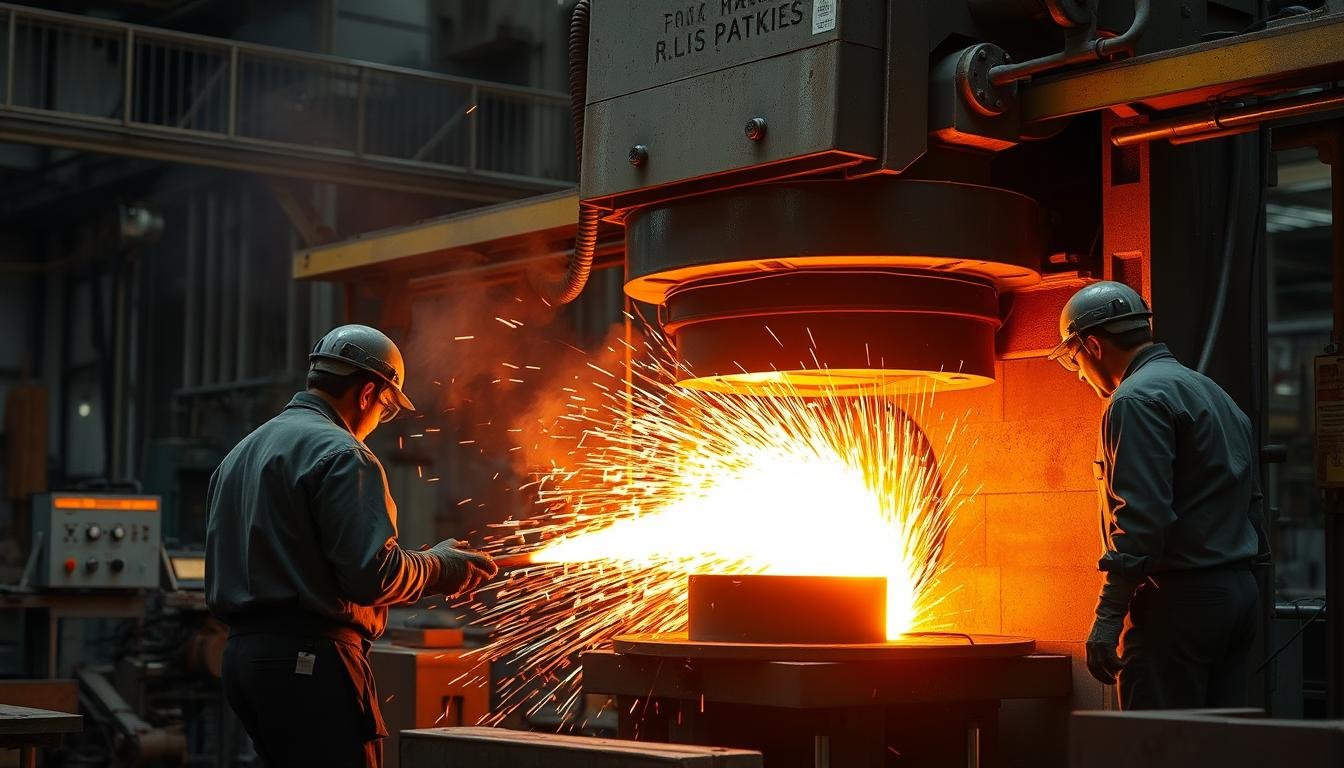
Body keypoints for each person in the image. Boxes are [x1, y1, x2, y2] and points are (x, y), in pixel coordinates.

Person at [205, 324, 498, 767]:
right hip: (311, 663)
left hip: (243, 662)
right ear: (367, 393)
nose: (381, 420)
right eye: (386, 407)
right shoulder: (344, 455)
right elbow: (372, 575)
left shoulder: (240, 455)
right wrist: (441, 567)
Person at [1047, 281, 1269, 709]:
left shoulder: (1134, 400)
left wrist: (1108, 617)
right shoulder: (1212, 392)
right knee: (1216, 746)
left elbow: (1141, 522)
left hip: (1180, 604)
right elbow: (1253, 502)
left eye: (1073, 359)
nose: (1077, 374)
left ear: (1092, 345)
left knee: (1156, 745)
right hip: (1236, 598)